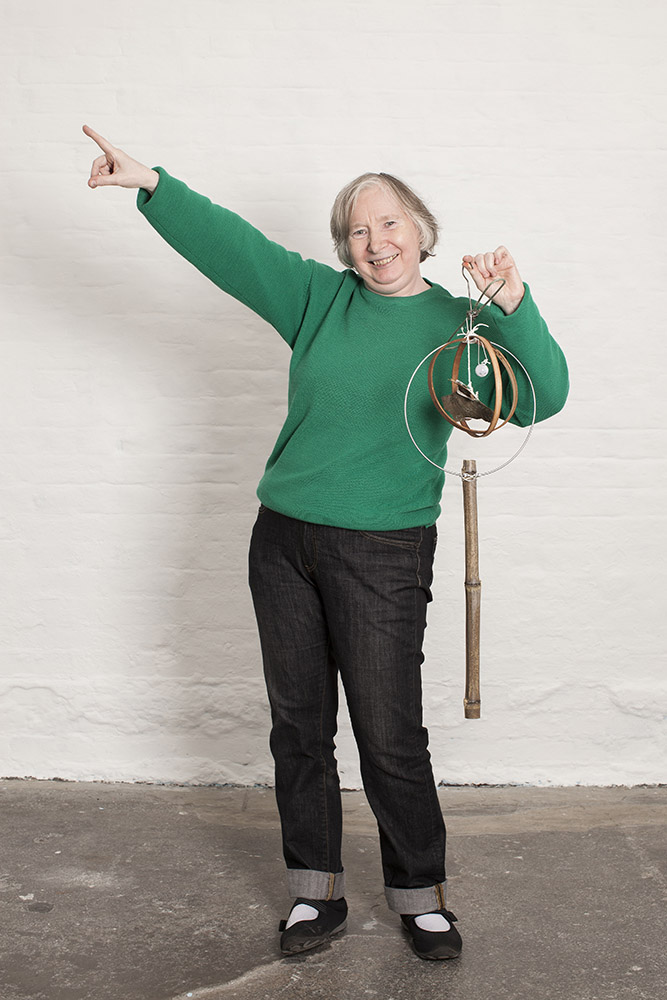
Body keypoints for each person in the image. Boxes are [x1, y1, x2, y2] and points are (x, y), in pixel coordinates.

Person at [83, 124, 569, 961]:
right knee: (299, 730)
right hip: (283, 544)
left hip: (384, 551)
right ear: (344, 246)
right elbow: (233, 247)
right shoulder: (319, 299)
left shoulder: (461, 325)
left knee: (388, 735)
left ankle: (419, 897)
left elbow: (541, 398)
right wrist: (154, 183)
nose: (375, 242)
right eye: (356, 229)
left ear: (420, 228)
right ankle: (315, 892)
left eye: (389, 223)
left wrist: (514, 306)